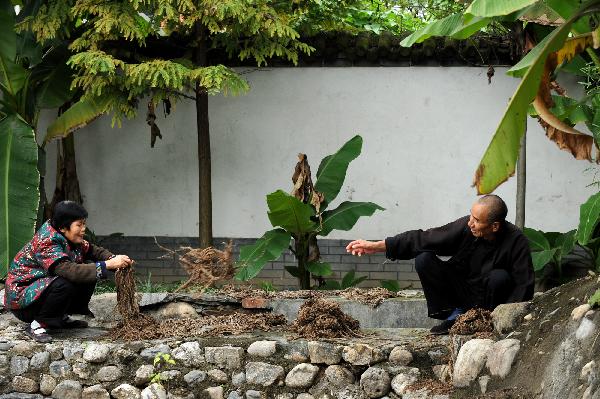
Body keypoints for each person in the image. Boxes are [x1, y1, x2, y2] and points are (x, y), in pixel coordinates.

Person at [346, 195, 534, 335]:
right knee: (424, 258)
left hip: (491, 302)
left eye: (477, 220)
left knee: (499, 277)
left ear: (494, 226)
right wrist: (378, 246)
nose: (471, 223)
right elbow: (426, 238)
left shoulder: (517, 241)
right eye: (471, 216)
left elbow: (523, 285)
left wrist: (508, 320)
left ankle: (483, 321)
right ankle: (455, 316)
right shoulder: (466, 227)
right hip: (463, 292)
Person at [3, 201, 133, 342]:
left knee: (88, 270)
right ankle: (37, 324)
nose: (84, 229)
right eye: (79, 225)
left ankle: (59, 318)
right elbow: (70, 271)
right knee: (66, 280)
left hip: (40, 293)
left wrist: (114, 259)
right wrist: (108, 264)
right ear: (63, 227)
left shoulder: (70, 237)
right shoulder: (47, 241)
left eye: (84, 224)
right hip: (23, 303)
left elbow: (93, 251)